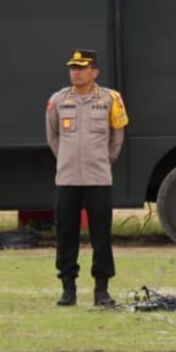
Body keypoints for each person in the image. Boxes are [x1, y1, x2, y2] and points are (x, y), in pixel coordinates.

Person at [46, 49, 128, 308]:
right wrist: (66, 158)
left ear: (95, 72)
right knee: (65, 234)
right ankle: (68, 287)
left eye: (82, 68)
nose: (76, 73)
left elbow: (117, 138)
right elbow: (53, 136)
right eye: (73, 68)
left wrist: (102, 160)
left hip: (98, 178)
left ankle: (101, 288)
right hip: (67, 178)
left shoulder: (111, 99)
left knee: (101, 235)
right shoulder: (58, 100)